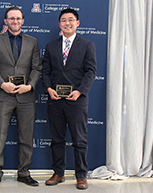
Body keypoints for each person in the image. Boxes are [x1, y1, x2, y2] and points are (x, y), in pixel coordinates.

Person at [0, 6, 42, 188]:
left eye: (18, 18)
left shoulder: (32, 41)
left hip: (26, 97)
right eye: (11, 18)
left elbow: (37, 68)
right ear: (6, 21)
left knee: (27, 136)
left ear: (23, 21)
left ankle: (24, 173)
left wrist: (30, 86)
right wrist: (2, 84)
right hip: (3, 95)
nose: (15, 21)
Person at [41, 8, 97, 189]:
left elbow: (91, 71)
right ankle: (58, 173)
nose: (67, 23)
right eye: (63, 20)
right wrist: (48, 88)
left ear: (77, 23)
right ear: (59, 24)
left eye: (71, 20)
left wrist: (80, 91)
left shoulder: (87, 45)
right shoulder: (51, 46)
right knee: (57, 139)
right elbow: (46, 71)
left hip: (77, 100)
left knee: (79, 139)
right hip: (55, 100)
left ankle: (81, 175)